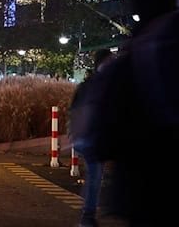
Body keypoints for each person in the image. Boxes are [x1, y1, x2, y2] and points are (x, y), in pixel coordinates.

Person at [108, 0, 179, 226]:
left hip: (133, 187)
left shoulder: (128, 56)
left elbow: (108, 130)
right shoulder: (178, 51)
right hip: (171, 183)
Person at [71, 48, 113, 227]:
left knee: (94, 174)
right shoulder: (103, 82)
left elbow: (74, 107)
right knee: (95, 174)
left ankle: (88, 211)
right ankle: (88, 214)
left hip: (84, 136)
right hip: (92, 136)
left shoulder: (87, 83)